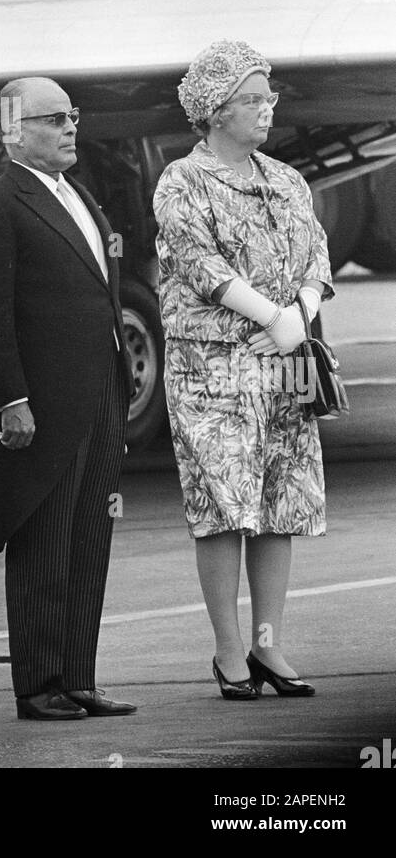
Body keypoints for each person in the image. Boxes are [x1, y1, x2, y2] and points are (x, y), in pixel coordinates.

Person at [152, 39, 332, 701]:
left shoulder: (286, 180)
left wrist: (299, 314)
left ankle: (266, 645)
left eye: (268, 96)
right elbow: (198, 265)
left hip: (282, 370)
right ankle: (229, 653)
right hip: (212, 370)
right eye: (251, 100)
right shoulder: (182, 181)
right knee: (223, 508)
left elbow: (316, 258)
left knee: (278, 505)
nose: (266, 109)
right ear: (214, 111)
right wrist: (270, 316)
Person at [0, 77, 136, 721]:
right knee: (43, 539)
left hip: (98, 393)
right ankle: (38, 684)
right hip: (41, 402)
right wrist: (10, 400)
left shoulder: (79, 194)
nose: (70, 129)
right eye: (54, 119)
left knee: (89, 538)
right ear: (12, 130)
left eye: (73, 116)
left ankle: (77, 675)